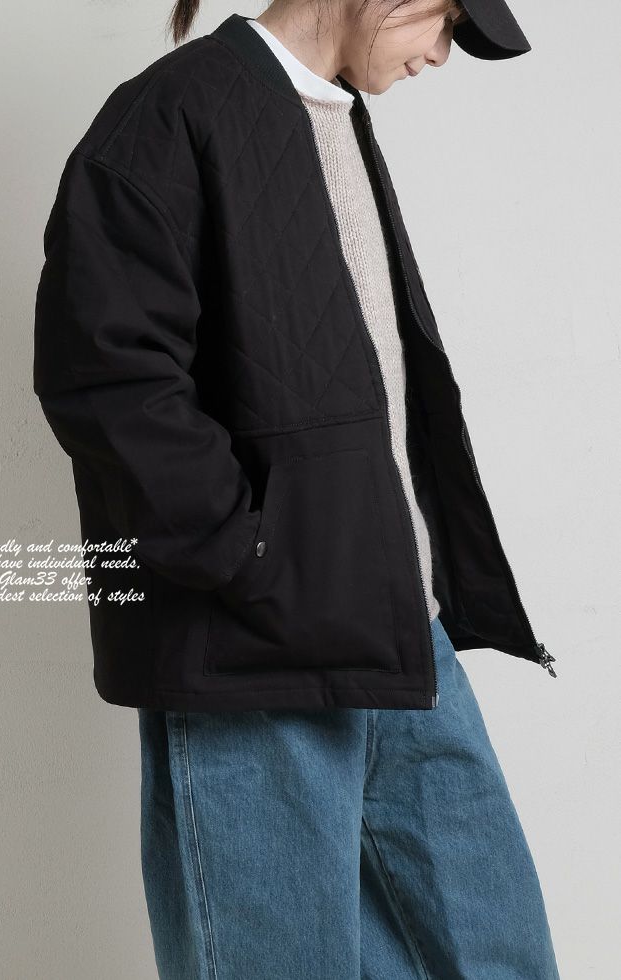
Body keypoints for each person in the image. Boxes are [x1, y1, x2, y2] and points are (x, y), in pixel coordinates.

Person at [33, 1, 561, 976]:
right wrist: (251, 555)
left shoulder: (333, 117)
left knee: (496, 952)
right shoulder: (171, 116)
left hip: (394, 624)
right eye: (446, 21)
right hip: (252, 643)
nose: (440, 54)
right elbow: (106, 375)